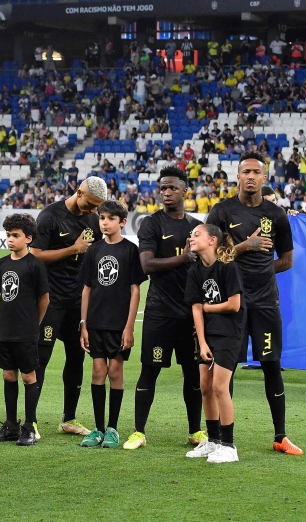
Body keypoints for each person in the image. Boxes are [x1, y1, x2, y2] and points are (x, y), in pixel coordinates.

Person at [205, 150, 302, 455]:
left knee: (272, 365)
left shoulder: (276, 215)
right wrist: (245, 247)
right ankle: (220, 438)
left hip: (265, 304)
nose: (250, 177)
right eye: (245, 171)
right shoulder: (221, 212)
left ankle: (281, 436)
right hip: (232, 303)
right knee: (226, 369)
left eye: (255, 172)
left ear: (264, 177)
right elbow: (210, 258)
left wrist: (262, 268)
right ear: (238, 176)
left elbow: (286, 259)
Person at [124, 166, 204, 450]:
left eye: (172, 187)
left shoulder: (195, 227)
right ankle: (138, 431)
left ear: (185, 190)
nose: (167, 192)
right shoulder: (151, 224)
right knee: (150, 369)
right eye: (163, 188)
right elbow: (147, 265)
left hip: (190, 314)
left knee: (193, 373)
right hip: (160, 312)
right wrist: (183, 258)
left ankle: (196, 431)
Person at [30, 177, 106, 436]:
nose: (93, 211)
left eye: (97, 207)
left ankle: (69, 418)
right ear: (78, 192)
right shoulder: (50, 215)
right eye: (90, 204)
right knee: (41, 357)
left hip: (78, 300)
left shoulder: (94, 220)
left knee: (76, 356)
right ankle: (31, 420)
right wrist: (72, 249)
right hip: (50, 298)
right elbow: (35, 254)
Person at [77, 201, 145, 449]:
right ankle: (98, 428)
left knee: (115, 372)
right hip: (95, 321)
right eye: (101, 218)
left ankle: (113, 428)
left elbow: (135, 290)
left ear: (122, 222)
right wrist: (83, 323)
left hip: (118, 324)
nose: (104, 222)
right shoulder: (93, 250)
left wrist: (129, 327)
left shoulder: (130, 250)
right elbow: (86, 288)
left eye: (110, 219)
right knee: (97, 371)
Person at [0, 214, 49, 446]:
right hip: (5, 330)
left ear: (28, 238)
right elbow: (5, 297)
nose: (10, 239)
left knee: (28, 376)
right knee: (8, 374)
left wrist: (34, 324)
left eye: (15, 235)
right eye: (8, 235)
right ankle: (11, 425)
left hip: (26, 332)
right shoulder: (1, 264)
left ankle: (29, 426)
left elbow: (44, 299)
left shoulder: (35, 265)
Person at [185, 223, 244, 464]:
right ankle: (213, 440)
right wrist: (201, 342)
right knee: (205, 387)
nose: (191, 238)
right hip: (206, 336)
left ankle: (229, 445)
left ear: (212, 241)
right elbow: (195, 309)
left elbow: (234, 304)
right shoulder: (194, 271)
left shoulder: (229, 268)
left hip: (228, 334)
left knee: (220, 388)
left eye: (197, 235)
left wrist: (209, 307)